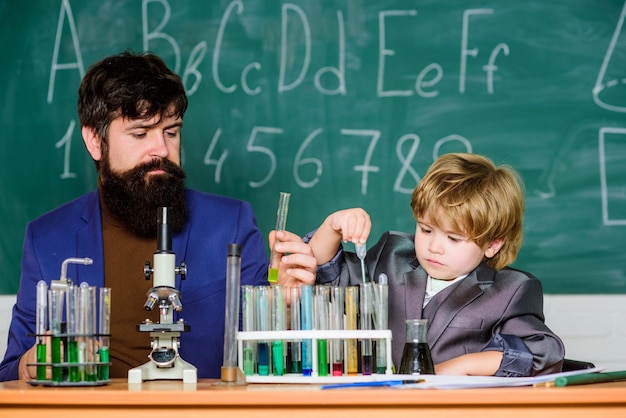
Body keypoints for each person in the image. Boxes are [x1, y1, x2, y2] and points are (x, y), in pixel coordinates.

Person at [0, 51, 316, 381]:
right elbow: (9, 373)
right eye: (140, 134)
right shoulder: (47, 238)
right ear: (95, 141)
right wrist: (33, 362)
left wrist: (284, 308)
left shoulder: (230, 225)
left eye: (171, 131)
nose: (162, 150)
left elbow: (261, 362)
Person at [307, 153, 565, 376]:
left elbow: (543, 352)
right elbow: (326, 274)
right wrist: (332, 227)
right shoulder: (392, 256)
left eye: (453, 238)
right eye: (426, 230)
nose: (435, 247)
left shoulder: (511, 290)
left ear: (492, 245)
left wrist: (463, 365)